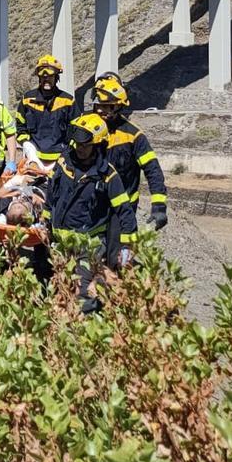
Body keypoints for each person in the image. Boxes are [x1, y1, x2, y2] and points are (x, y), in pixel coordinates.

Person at [45, 112, 137, 313]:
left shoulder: (107, 176)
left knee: (83, 292)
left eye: (85, 145)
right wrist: (44, 222)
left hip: (90, 244)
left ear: (98, 145)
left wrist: (126, 246)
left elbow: (124, 212)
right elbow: (51, 194)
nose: (79, 149)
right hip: (61, 242)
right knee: (61, 287)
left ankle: (85, 330)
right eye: (77, 144)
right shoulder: (64, 162)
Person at [93, 76, 168, 229]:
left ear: (118, 107)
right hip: (92, 205)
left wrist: (159, 206)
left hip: (123, 209)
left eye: (106, 106)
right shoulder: (86, 128)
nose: (100, 110)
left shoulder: (133, 136)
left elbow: (152, 170)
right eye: (98, 106)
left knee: (119, 250)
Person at [15, 54, 75, 165]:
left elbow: (76, 129)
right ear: (39, 77)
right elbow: (20, 126)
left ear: (56, 77)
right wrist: (27, 144)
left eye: (50, 77)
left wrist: (67, 153)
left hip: (61, 159)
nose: (46, 80)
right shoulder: (28, 99)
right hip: (34, 158)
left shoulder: (68, 101)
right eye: (43, 77)